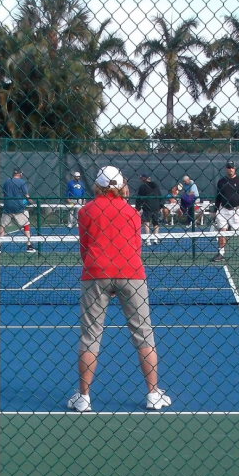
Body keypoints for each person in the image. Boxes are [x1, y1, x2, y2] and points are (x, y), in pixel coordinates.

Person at [66, 165, 172, 412]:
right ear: (121, 185)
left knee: (90, 336)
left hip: (95, 273)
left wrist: (102, 274)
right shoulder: (132, 213)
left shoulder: (85, 211)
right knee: (144, 334)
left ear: (98, 185)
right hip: (131, 273)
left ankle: (83, 398)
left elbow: (85, 247)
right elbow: (136, 247)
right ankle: (153, 395)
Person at [212, 160, 239, 262]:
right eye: (229, 167)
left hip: (237, 211)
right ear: (226, 169)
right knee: (222, 232)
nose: (230, 169)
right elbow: (218, 197)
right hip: (223, 210)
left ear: (235, 168)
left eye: (232, 167)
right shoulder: (221, 182)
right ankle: (221, 254)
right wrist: (215, 211)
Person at [1, 168, 35, 253]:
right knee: (26, 224)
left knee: (2, 226)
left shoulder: (6, 182)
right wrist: (30, 201)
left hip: (7, 207)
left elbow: (3, 194)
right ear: (20, 174)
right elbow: (26, 195)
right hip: (18, 208)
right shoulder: (22, 182)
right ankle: (29, 246)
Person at [135, 172, 162, 243]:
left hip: (147, 206)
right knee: (156, 223)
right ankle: (155, 239)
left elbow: (139, 198)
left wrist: (137, 208)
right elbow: (160, 195)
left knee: (146, 222)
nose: (141, 179)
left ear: (144, 178)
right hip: (156, 206)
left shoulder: (143, 187)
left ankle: (147, 239)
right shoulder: (155, 185)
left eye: (141, 178)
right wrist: (161, 205)